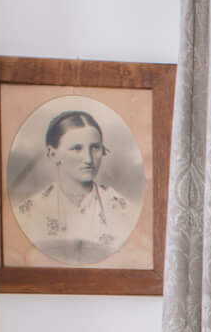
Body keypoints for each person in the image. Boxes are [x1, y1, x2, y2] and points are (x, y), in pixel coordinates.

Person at [14, 110, 137, 266]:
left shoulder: (124, 210)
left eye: (95, 148)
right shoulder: (31, 211)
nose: (88, 159)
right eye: (77, 148)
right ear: (53, 154)